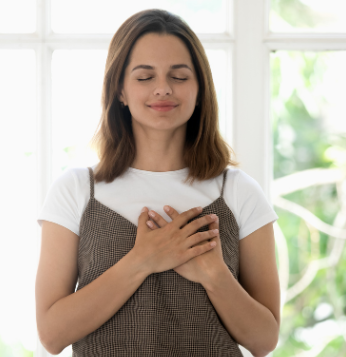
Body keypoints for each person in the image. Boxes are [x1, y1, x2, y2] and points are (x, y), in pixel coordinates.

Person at [35, 9, 280, 357]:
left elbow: (264, 340)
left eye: (179, 76)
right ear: (120, 89)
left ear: (199, 90)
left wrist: (215, 275)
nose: (163, 88)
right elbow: (51, 334)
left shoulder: (239, 191)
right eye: (144, 77)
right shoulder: (75, 190)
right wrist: (143, 260)